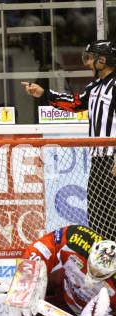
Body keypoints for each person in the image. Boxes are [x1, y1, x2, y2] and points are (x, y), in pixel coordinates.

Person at [21, 40, 116, 242]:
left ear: (103, 60)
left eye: (90, 58)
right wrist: (44, 93)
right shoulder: (96, 86)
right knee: (98, 214)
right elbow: (75, 104)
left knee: (112, 214)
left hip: (113, 158)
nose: (87, 63)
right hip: (99, 160)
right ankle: (104, 261)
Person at [20, 225, 116, 316]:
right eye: (92, 268)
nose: (93, 275)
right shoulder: (78, 237)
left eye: (99, 274)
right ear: (92, 251)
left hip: (92, 311)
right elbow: (43, 246)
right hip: (64, 291)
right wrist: (27, 277)